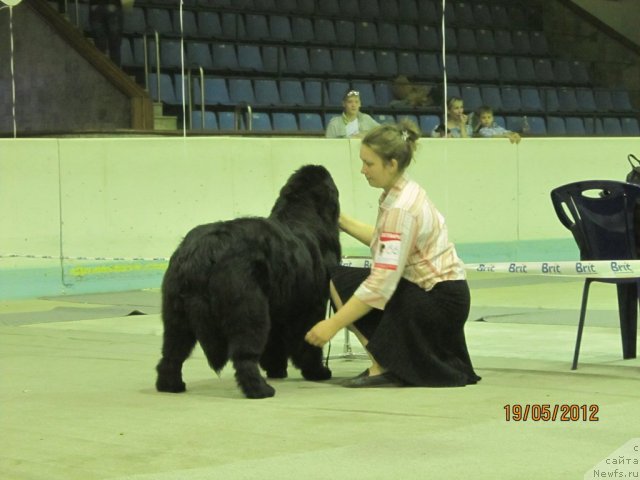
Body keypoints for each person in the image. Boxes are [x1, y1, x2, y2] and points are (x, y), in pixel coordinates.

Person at [305, 120, 481, 388]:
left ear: (392, 164)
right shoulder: (404, 191)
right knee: (339, 278)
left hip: (437, 300)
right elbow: (382, 241)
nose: (362, 170)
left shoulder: (400, 209)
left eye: (369, 163)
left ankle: (384, 365)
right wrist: (338, 219)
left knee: (353, 285)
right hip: (445, 292)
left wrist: (332, 325)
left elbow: (380, 284)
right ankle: (383, 363)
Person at [89, 0, 124, 67]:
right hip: (109, 6)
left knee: (104, 43)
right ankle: (114, 71)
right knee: (112, 43)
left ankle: (112, 71)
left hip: (100, 7)